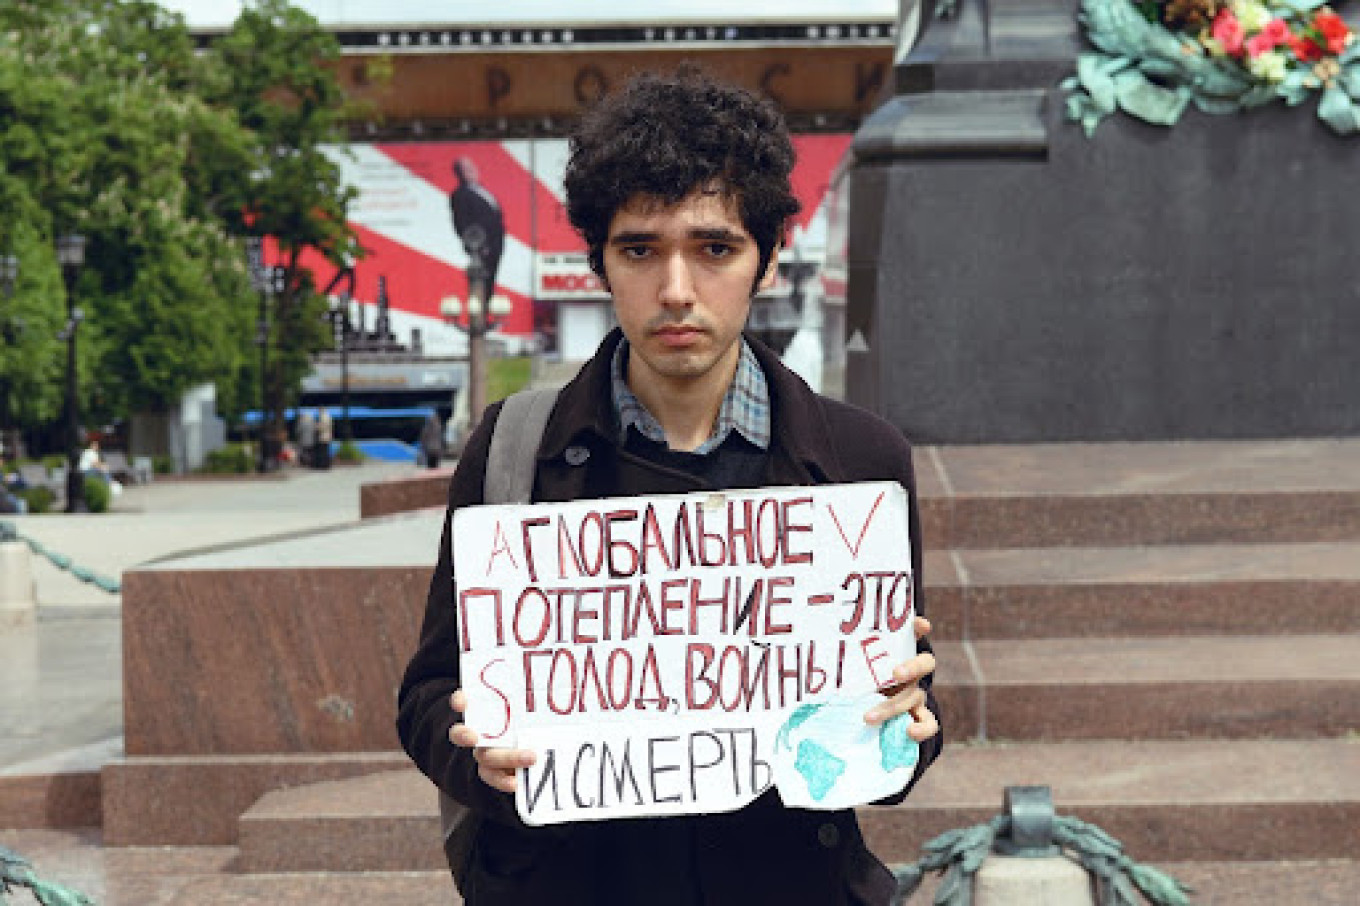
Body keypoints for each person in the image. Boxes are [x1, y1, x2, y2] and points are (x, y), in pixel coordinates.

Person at [397, 68, 942, 906]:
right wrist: (473, 753)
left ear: (766, 261)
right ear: (599, 263)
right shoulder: (513, 448)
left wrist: (905, 725)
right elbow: (430, 693)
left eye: (714, 248)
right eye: (641, 249)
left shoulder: (861, 459)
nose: (677, 289)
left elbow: (893, 727)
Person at [449, 156, 505, 304]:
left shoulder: (481, 189)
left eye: (472, 166)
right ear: (460, 173)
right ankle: (480, 317)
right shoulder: (460, 194)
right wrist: (476, 245)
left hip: (496, 243)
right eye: (467, 168)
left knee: (491, 282)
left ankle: (487, 311)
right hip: (481, 247)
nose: (472, 171)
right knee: (481, 284)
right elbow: (461, 223)